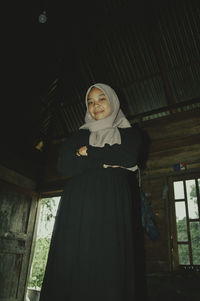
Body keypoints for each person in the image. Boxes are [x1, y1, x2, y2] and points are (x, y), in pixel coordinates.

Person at [39, 83, 145, 301]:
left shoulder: (131, 133)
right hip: (77, 205)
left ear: (113, 101)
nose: (96, 106)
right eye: (91, 102)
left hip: (113, 203)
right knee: (73, 259)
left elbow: (127, 157)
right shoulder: (78, 135)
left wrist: (88, 153)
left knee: (109, 260)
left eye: (101, 99)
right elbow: (65, 165)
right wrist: (106, 160)